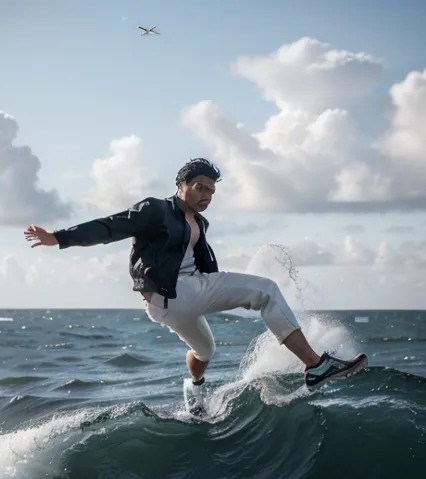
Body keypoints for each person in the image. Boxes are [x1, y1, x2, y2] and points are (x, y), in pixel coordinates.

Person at [24, 158, 367, 413]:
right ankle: (315, 366)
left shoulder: (199, 221)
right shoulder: (156, 210)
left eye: (212, 191)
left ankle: (195, 390)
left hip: (171, 305)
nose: (206, 195)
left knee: (204, 352)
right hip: (176, 292)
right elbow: (111, 226)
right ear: (182, 184)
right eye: (200, 187)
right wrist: (59, 238)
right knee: (266, 291)